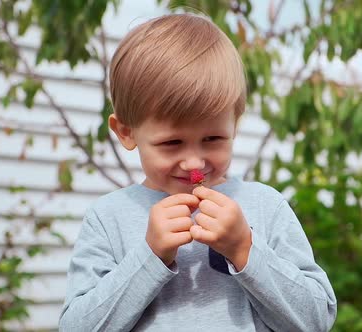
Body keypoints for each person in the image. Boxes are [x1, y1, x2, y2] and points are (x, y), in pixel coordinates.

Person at [59, 13, 337, 332]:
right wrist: (149, 258)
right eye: (172, 142)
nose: (194, 163)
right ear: (126, 132)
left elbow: (316, 320)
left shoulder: (265, 207)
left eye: (213, 139)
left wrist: (245, 249)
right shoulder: (109, 219)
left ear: (235, 123)